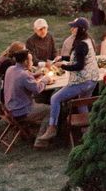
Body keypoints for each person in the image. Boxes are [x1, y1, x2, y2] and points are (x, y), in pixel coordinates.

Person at [35, 18, 100, 147]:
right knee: (82, 102)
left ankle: (52, 128)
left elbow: (79, 65)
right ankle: (87, 131)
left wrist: (62, 66)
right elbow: (79, 57)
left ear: (80, 29)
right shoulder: (86, 40)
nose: (71, 29)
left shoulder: (81, 45)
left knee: (55, 98)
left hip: (82, 81)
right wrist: (63, 58)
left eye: (74, 27)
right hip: (92, 80)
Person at [2, 50, 50, 132]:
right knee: (51, 109)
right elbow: (37, 89)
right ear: (25, 61)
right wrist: (45, 80)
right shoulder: (23, 75)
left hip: (10, 108)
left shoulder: (10, 69)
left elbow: (22, 79)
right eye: (31, 60)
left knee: (40, 100)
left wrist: (35, 75)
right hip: (21, 111)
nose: (32, 62)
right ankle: (41, 140)